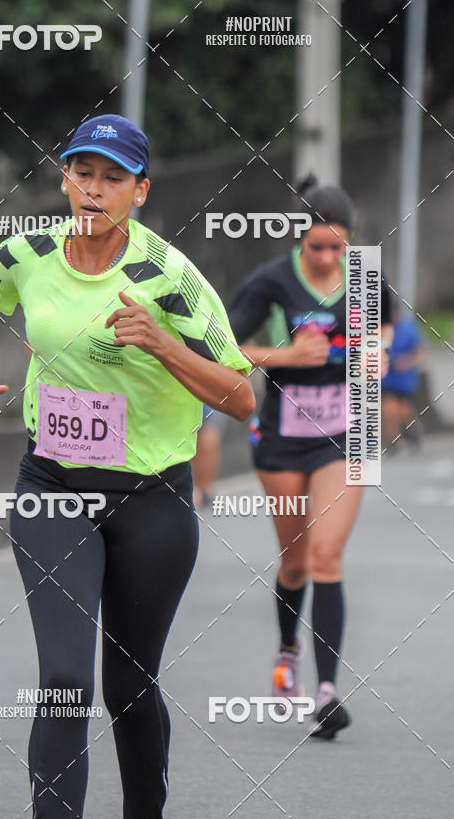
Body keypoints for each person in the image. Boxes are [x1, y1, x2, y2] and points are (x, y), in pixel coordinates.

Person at [0, 113, 255, 818]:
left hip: (151, 502)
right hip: (52, 488)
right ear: (64, 180)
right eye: (83, 173)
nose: (94, 190)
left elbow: (241, 398)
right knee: (66, 679)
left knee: (129, 686)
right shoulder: (28, 252)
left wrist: (162, 343)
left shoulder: (172, 278)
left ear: (140, 191)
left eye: (113, 178)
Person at [228, 178, 393, 740]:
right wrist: (287, 355)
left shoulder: (365, 277)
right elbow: (222, 347)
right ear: (299, 240)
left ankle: (327, 691)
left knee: (325, 555)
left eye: (337, 247)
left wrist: (378, 350)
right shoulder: (270, 282)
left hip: (347, 434)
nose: (326, 258)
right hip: (281, 438)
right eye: (316, 246)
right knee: (296, 562)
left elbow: (386, 323)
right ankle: (287, 650)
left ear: (351, 241)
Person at [381, 305, 426, 452]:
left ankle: (413, 431)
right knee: (389, 409)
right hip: (386, 379)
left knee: (403, 411)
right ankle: (392, 443)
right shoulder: (381, 329)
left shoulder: (409, 328)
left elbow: (421, 352)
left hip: (404, 380)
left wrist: (407, 362)